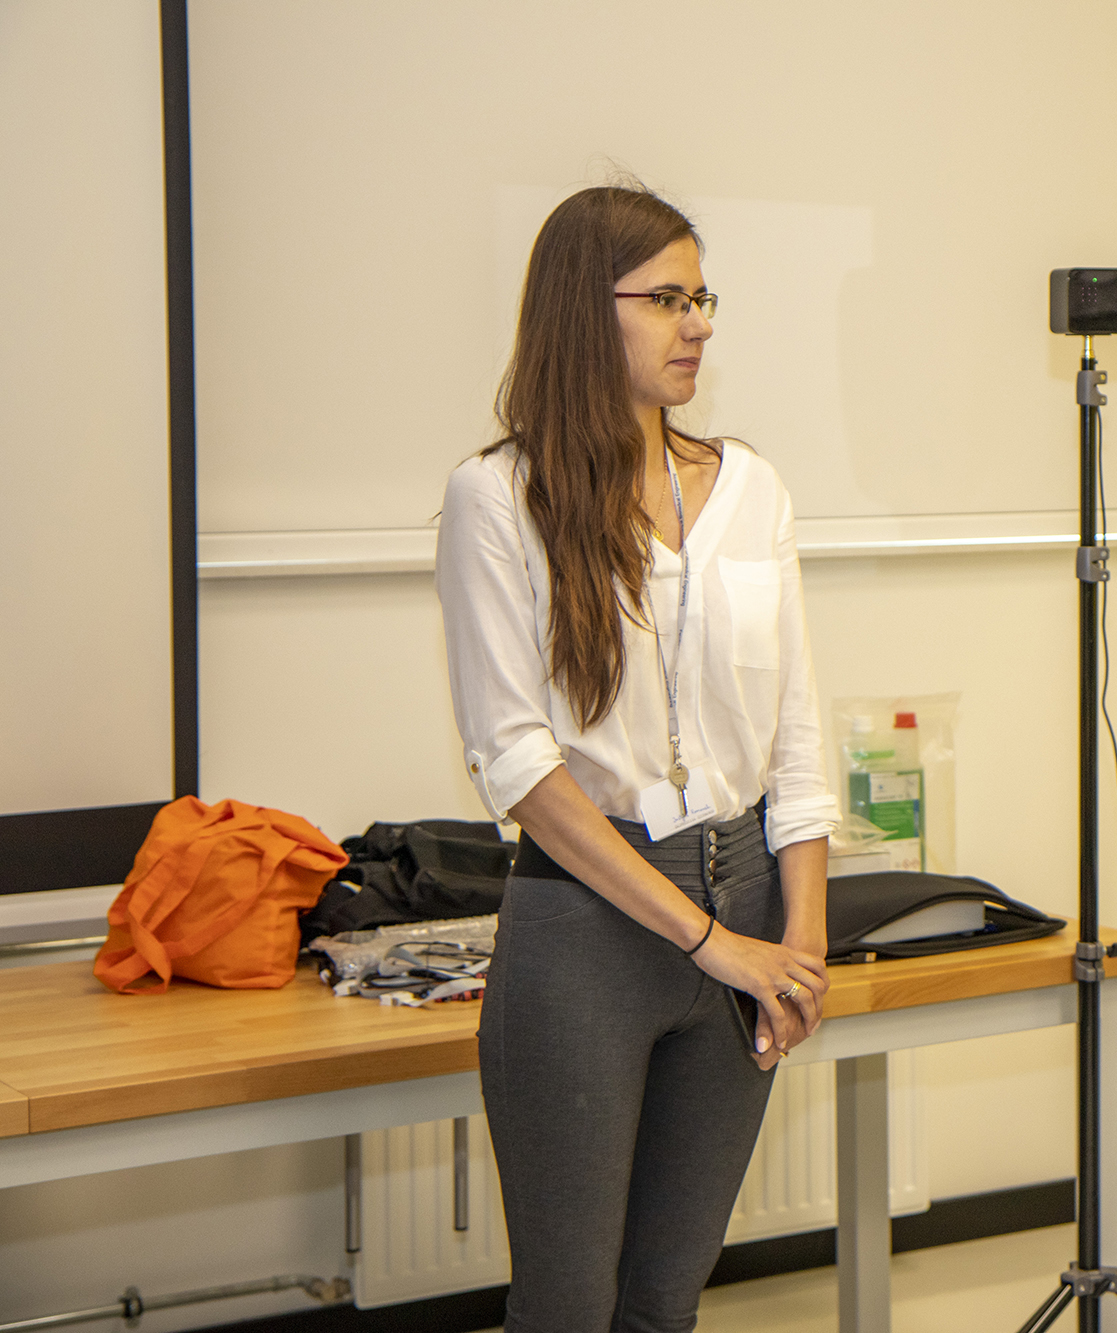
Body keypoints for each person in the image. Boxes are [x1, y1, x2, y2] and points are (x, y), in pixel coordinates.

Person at [435, 184, 840, 1331]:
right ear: (583, 308)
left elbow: (795, 738)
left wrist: (799, 948)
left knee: (665, 1297)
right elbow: (518, 768)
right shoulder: (496, 498)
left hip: (749, 897)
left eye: (701, 297)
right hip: (589, 925)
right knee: (569, 1304)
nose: (697, 323)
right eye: (665, 299)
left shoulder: (752, 489)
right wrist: (712, 943)